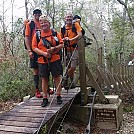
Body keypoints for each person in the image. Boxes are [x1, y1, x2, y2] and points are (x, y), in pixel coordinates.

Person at [32, 15, 64, 107]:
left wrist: (54, 48)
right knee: (44, 79)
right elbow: (34, 47)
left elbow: (61, 44)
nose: (43, 24)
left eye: (45, 22)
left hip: (55, 59)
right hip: (42, 60)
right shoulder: (37, 35)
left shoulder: (55, 33)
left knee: (57, 77)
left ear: (49, 23)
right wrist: (44, 53)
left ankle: (58, 96)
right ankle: (45, 98)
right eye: (41, 22)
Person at [61, 13, 82, 90]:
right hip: (66, 49)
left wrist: (71, 40)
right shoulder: (63, 28)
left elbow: (79, 35)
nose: (69, 18)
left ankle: (65, 78)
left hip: (75, 48)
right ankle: (72, 83)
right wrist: (64, 40)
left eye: (70, 17)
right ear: (65, 18)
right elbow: (61, 38)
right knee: (68, 66)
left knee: (73, 66)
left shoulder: (75, 24)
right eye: (67, 17)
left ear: (72, 18)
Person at [25, 9, 43, 98]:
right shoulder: (30, 24)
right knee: (36, 70)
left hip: (43, 49)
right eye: (35, 13)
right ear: (33, 14)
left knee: (45, 68)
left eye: (39, 13)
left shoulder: (43, 22)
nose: (37, 15)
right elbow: (27, 38)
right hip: (34, 49)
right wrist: (29, 51)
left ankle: (46, 88)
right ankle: (37, 89)